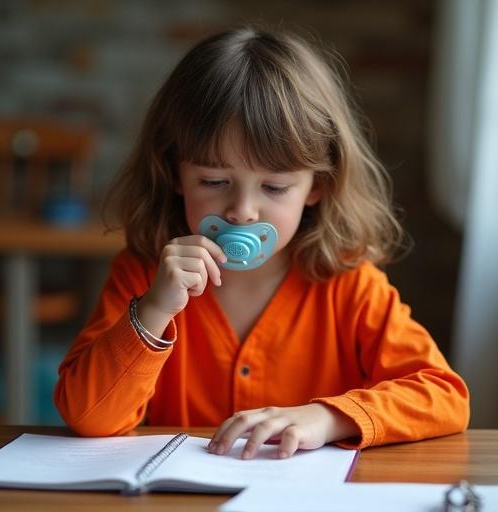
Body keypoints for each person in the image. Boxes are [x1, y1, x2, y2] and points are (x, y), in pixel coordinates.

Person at [54, 26, 469, 459]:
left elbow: (444, 396)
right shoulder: (143, 274)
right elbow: (89, 417)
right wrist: (156, 309)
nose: (242, 211)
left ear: (318, 186)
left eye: (274, 187)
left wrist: (328, 418)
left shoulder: (349, 285)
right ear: (174, 172)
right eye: (214, 181)